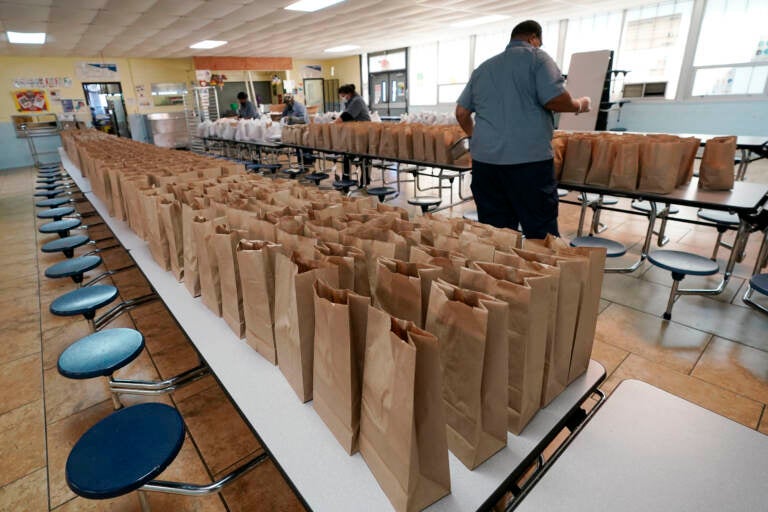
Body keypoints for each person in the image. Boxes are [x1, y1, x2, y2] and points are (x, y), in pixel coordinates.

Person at [455, 20, 591, 239]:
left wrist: (475, 137)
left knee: (495, 232)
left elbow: (461, 113)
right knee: (540, 233)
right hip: (529, 165)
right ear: (533, 38)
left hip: (485, 166)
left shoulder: (483, 68)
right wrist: (580, 105)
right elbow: (556, 100)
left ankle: (499, 271)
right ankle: (539, 271)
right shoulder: (538, 58)